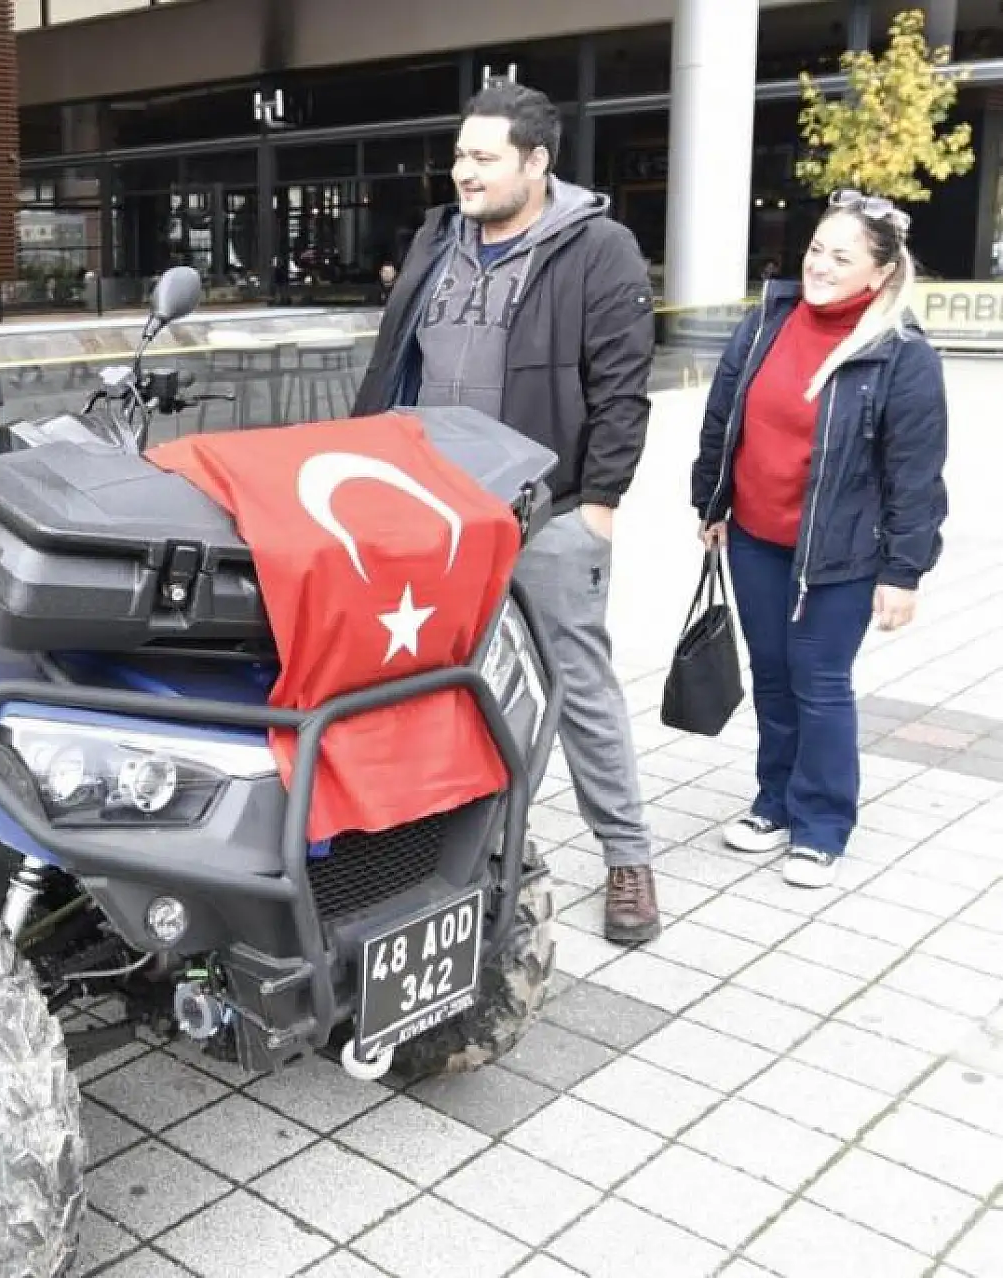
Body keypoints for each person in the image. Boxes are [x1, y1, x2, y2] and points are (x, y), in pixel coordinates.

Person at [352, 80, 662, 944]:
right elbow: (392, 368)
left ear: (536, 162)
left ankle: (627, 856)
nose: (464, 172)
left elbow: (622, 392)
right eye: (459, 155)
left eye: (484, 158)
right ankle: (429, 851)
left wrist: (598, 505)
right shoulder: (437, 240)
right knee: (428, 680)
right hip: (434, 519)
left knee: (578, 683)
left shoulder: (598, 249)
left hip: (551, 513)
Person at [692, 190, 948, 888]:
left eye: (842, 257)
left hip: (839, 555)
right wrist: (710, 499)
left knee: (820, 681)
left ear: (880, 274)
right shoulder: (768, 322)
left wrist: (904, 571)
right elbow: (725, 416)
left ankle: (823, 821)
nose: (821, 266)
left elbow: (916, 475)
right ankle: (773, 801)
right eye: (816, 250)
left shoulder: (902, 356)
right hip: (753, 537)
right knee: (773, 676)